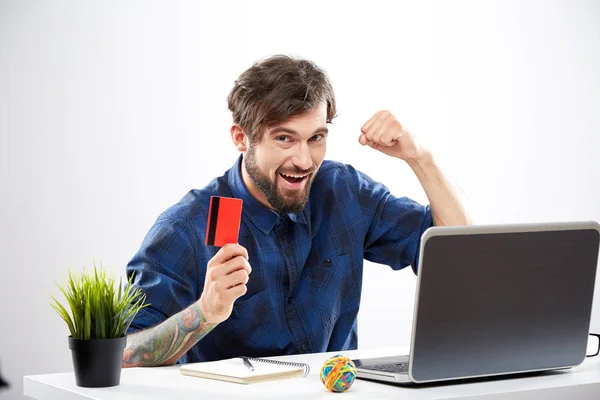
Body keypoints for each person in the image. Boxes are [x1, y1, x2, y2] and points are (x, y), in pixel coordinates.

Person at [122, 55, 471, 368]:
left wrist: (420, 158)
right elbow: (124, 353)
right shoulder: (186, 227)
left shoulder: (342, 191)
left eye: (316, 137)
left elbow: (461, 257)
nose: (304, 161)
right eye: (285, 139)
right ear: (241, 138)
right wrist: (205, 312)